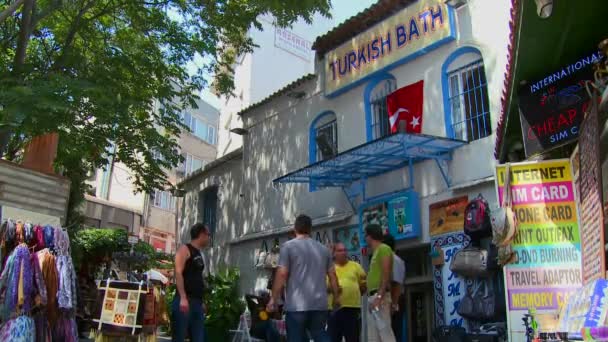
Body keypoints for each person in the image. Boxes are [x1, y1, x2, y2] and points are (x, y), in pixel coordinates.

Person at [267, 214, 340, 342]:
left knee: (296, 338)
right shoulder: (324, 250)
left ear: (295, 229)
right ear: (310, 229)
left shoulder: (288, 247)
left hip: (297, 307)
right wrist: (336, 298)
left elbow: (282, 274)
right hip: (319, 305)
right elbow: (333, 275)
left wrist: (273, 299)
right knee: (320, 334)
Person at [171, 223, 211, 342]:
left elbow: (197, 277)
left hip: (197, 303)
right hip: (184, 302)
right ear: (201, 235)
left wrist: (201, 301)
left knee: (199, 338)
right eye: (208, 235)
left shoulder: (199, 253)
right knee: (179, 337)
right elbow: (178, 273)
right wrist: (183, 297)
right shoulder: (185, 249)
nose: (209, 238)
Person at [327, 243, 366, 342]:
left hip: (352, 309)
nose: (344, 252)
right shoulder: (329, 269)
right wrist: (334, 289)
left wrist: (354, 292)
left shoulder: (356, 266)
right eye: (340, 250)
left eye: (345, 250)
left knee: (353, 338)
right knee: (334, 338)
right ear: (334, 253)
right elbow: (323, 288)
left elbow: (363, 285)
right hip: (333, 309)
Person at [365, 224, 396, 342]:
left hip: (380, 297)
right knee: (373, 336)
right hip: (373, 297)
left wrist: (379, 296)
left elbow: (386, 273)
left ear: (370, 236)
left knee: (385, 332)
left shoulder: (384, 249)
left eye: (366, 235)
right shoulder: (375, 252)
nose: (365, 238)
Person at [383, 234, 406, 341]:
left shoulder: (394, 260)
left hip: (394, 299)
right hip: (389, 300)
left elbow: (396, 284)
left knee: (393, 333)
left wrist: (393, 305)